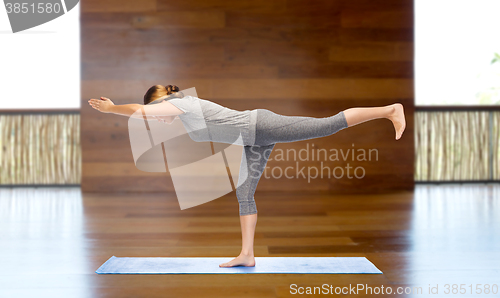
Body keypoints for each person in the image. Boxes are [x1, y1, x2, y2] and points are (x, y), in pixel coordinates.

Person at [88, 84, 406, 268]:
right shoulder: (183, 112)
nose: (158, 119)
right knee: (244, 193)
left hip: (260, 125)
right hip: (253, 139)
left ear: (162, 101)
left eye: (157, 112)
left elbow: (144, 113)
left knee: (326, 124)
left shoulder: (180, 104)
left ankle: (389, 110)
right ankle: (247, 254)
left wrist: (113, 108)